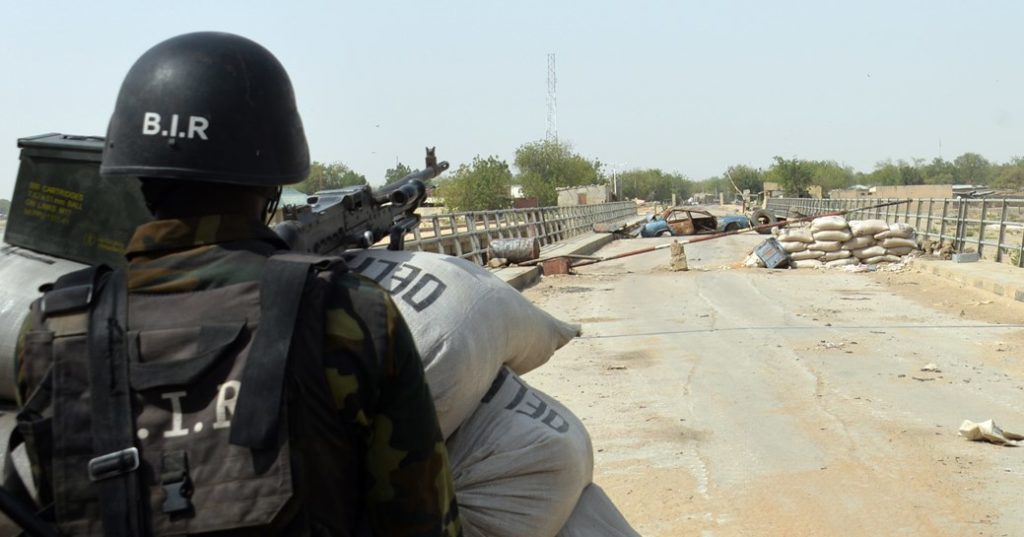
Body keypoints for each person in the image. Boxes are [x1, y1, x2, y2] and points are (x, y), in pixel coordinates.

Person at [13, 31, 462, 537]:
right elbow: (423, 520)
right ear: (272, 174)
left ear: (137, 170)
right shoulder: (348, 313)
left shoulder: (54, 329)